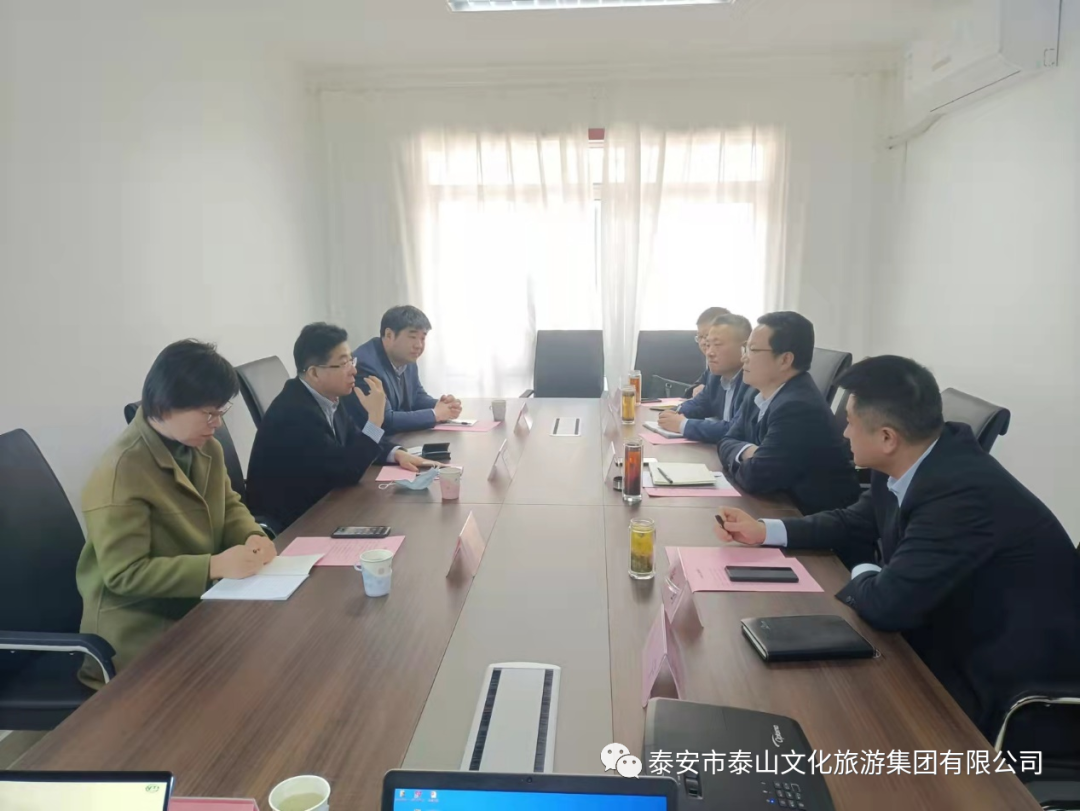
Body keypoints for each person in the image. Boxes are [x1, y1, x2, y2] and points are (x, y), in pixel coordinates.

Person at [714, 355, 1080, 737]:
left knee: (835, 718)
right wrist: (765, 531)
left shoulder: (961, 495)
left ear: (887, 437)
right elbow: (856, 520)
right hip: (941, 628)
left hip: (1003, 682)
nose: (844, 433)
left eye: (850, 422)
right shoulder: (916, 458)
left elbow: (886, 605)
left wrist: (866, 569)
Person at [78, 340, 277, 689]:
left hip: (197, 605)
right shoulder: (122, 470)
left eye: (221, 412)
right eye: (208, 413)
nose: (217, 423)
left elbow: (228, 503)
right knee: (243, 681)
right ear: (166, 404)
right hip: (137, 629)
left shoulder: (206, 447)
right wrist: (213, 566)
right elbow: (125, 574)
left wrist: (252, 535)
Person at [247, 323, 435, 531]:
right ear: (314, 373)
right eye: (343, 363)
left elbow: (355, 438)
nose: (353, 370)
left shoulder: (328, 397)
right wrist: (375, 419)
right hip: (294, 523)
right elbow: (347, 471)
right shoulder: (296, 414)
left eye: (351, 360)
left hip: (325, 503)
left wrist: (396, 453)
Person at [718, 311, 860, 515]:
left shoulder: (798, 407)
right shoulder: (756, 391)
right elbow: (725, 440)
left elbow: (756, 478)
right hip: (775, 506)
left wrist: (745, 454)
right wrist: (749, 451)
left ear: (785, 360)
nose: (744, 358)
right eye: (745, 348)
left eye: (753, 350)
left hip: (810, 520)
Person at [345, 305, 461, 433]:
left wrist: (444, 406)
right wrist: (435, 414)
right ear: (389, 335)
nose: (419, 345)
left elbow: (416, 396)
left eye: (423, 338)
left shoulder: (407, 357)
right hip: (369, 442)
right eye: (412, 337)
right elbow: (384, 419)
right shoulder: (365, 365)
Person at [658, 314, 754, 443]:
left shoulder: (754, 381)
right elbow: (699, 404)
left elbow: (737, 430)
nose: (709, 353)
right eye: (708, 345)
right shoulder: (715, 377)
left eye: (717, 345)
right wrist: (673, 413)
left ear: (745, 348)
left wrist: (682, 425)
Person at [686, 306, 731, 397]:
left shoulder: (743, 371)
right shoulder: (712, 365)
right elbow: (697, 386)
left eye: (707, 336)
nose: (703, 342)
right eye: (700, 337)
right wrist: (696, 389)